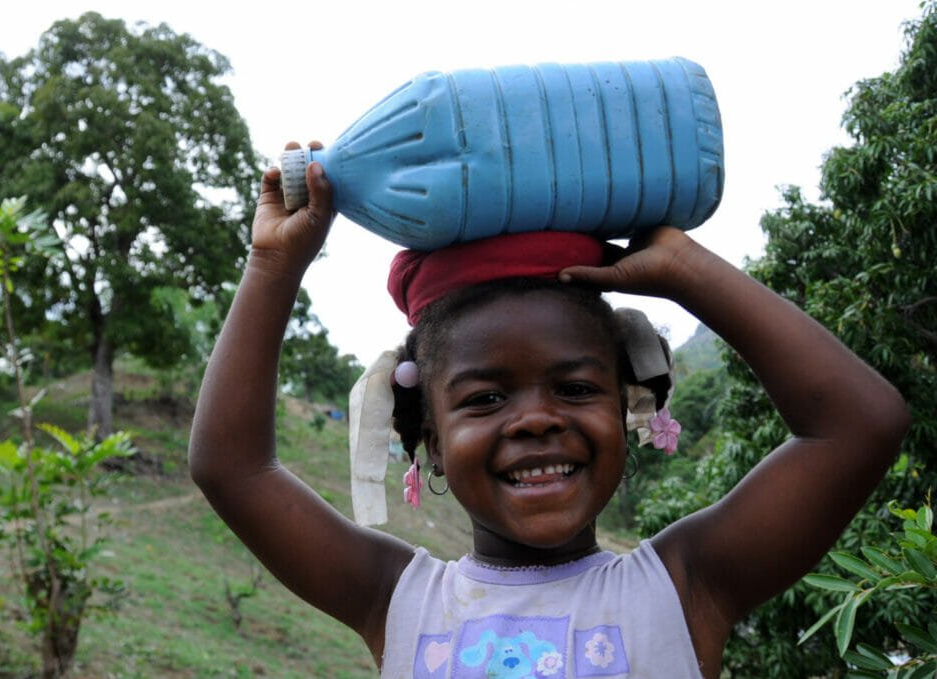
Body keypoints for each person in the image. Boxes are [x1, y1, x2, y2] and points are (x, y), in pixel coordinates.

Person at [189, 142, 909, 678]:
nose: (536, 418)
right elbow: (231, 467)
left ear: (627, 404)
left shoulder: (688, 584)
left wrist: (685, 270)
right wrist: (273, 266)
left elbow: (859, 424)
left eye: (574, 387)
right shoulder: (395, 597)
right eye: (486, 398)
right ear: (429, 440)